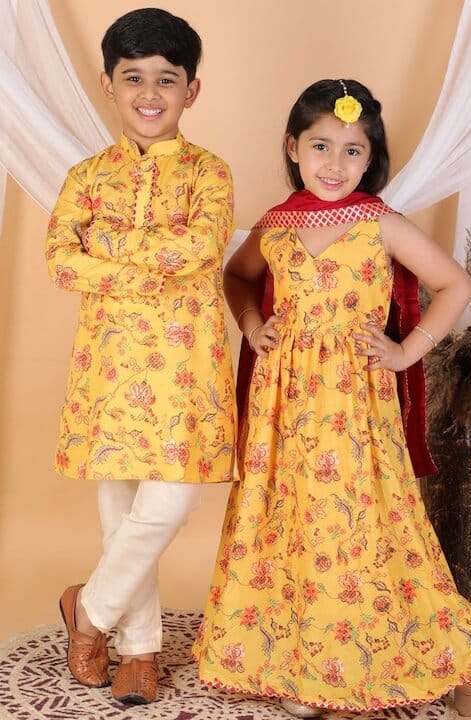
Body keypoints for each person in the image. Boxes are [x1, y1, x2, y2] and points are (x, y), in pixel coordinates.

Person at [192, 79, 471, 718]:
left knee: (351, 522)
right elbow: (237, 277)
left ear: (370, 157)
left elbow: (455, 285)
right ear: (293, 148)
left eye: (353, 150)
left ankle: (357, 662)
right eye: (321, 146)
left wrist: (406, 351)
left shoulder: (380, 223)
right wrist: (252, 324)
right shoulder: (276, 225)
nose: (335, 164)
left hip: (354, 401)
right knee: (287, 517)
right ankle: (295, 664)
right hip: (283, 402)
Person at [45, 8, 236, 706]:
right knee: (121, 511)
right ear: (108, 84)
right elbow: (61, 261)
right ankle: (140, 649)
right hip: (111, 364)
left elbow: (201, 248)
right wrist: (152, 263)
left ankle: (89, 611)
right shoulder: (86, 177)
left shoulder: (210, 174)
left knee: (167, 504)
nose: (149, 93)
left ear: (192, 90)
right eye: (133, 78)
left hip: (186, 369)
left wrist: (106, 246)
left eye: (166, 79)